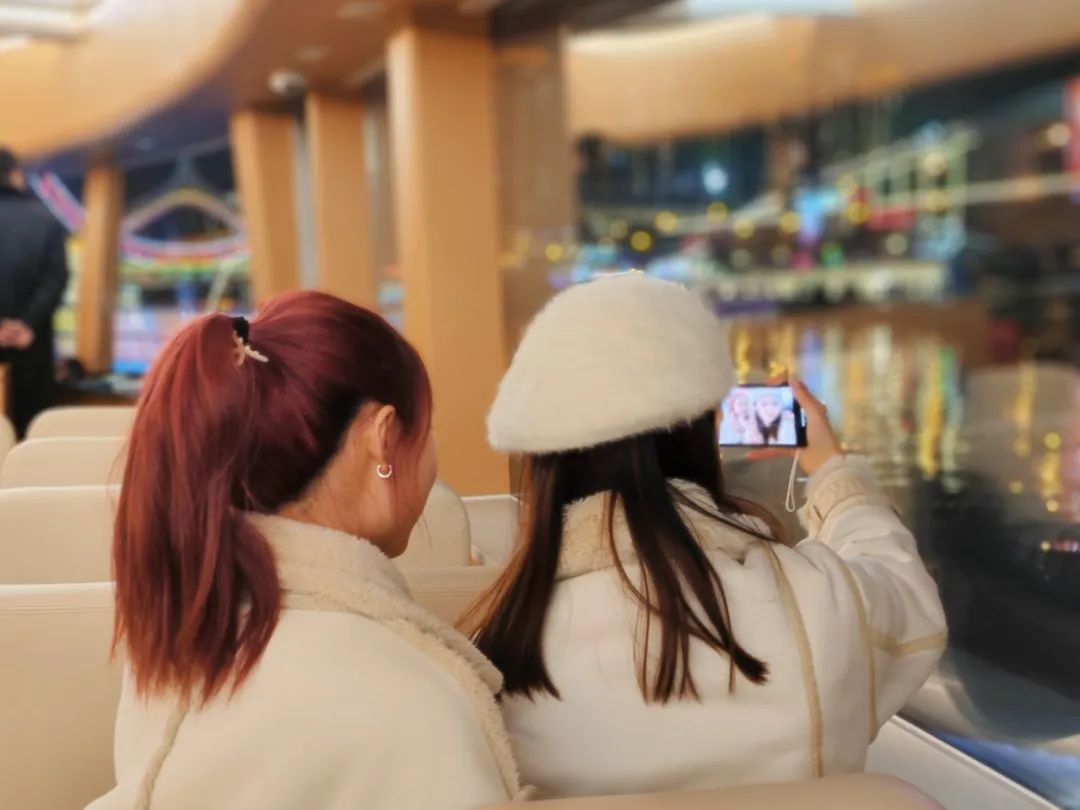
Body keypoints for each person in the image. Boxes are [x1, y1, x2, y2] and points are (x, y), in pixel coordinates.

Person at [464, 274, 946, 798]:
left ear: (542, 462)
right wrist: (832, 469)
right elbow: (905, 593)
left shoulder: (494, 658)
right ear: (700, 432)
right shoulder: (814, 606)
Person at [88, 291, 522, 810]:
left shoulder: (177, 646)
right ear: (383, 440)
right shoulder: (408, 698)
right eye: (427, 430)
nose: (431, 453)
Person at [0, 147, 69, 435]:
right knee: (31, 431)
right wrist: (26, 323)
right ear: (15, 175)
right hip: (32, 344)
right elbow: (56, 280)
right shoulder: (46, 221)